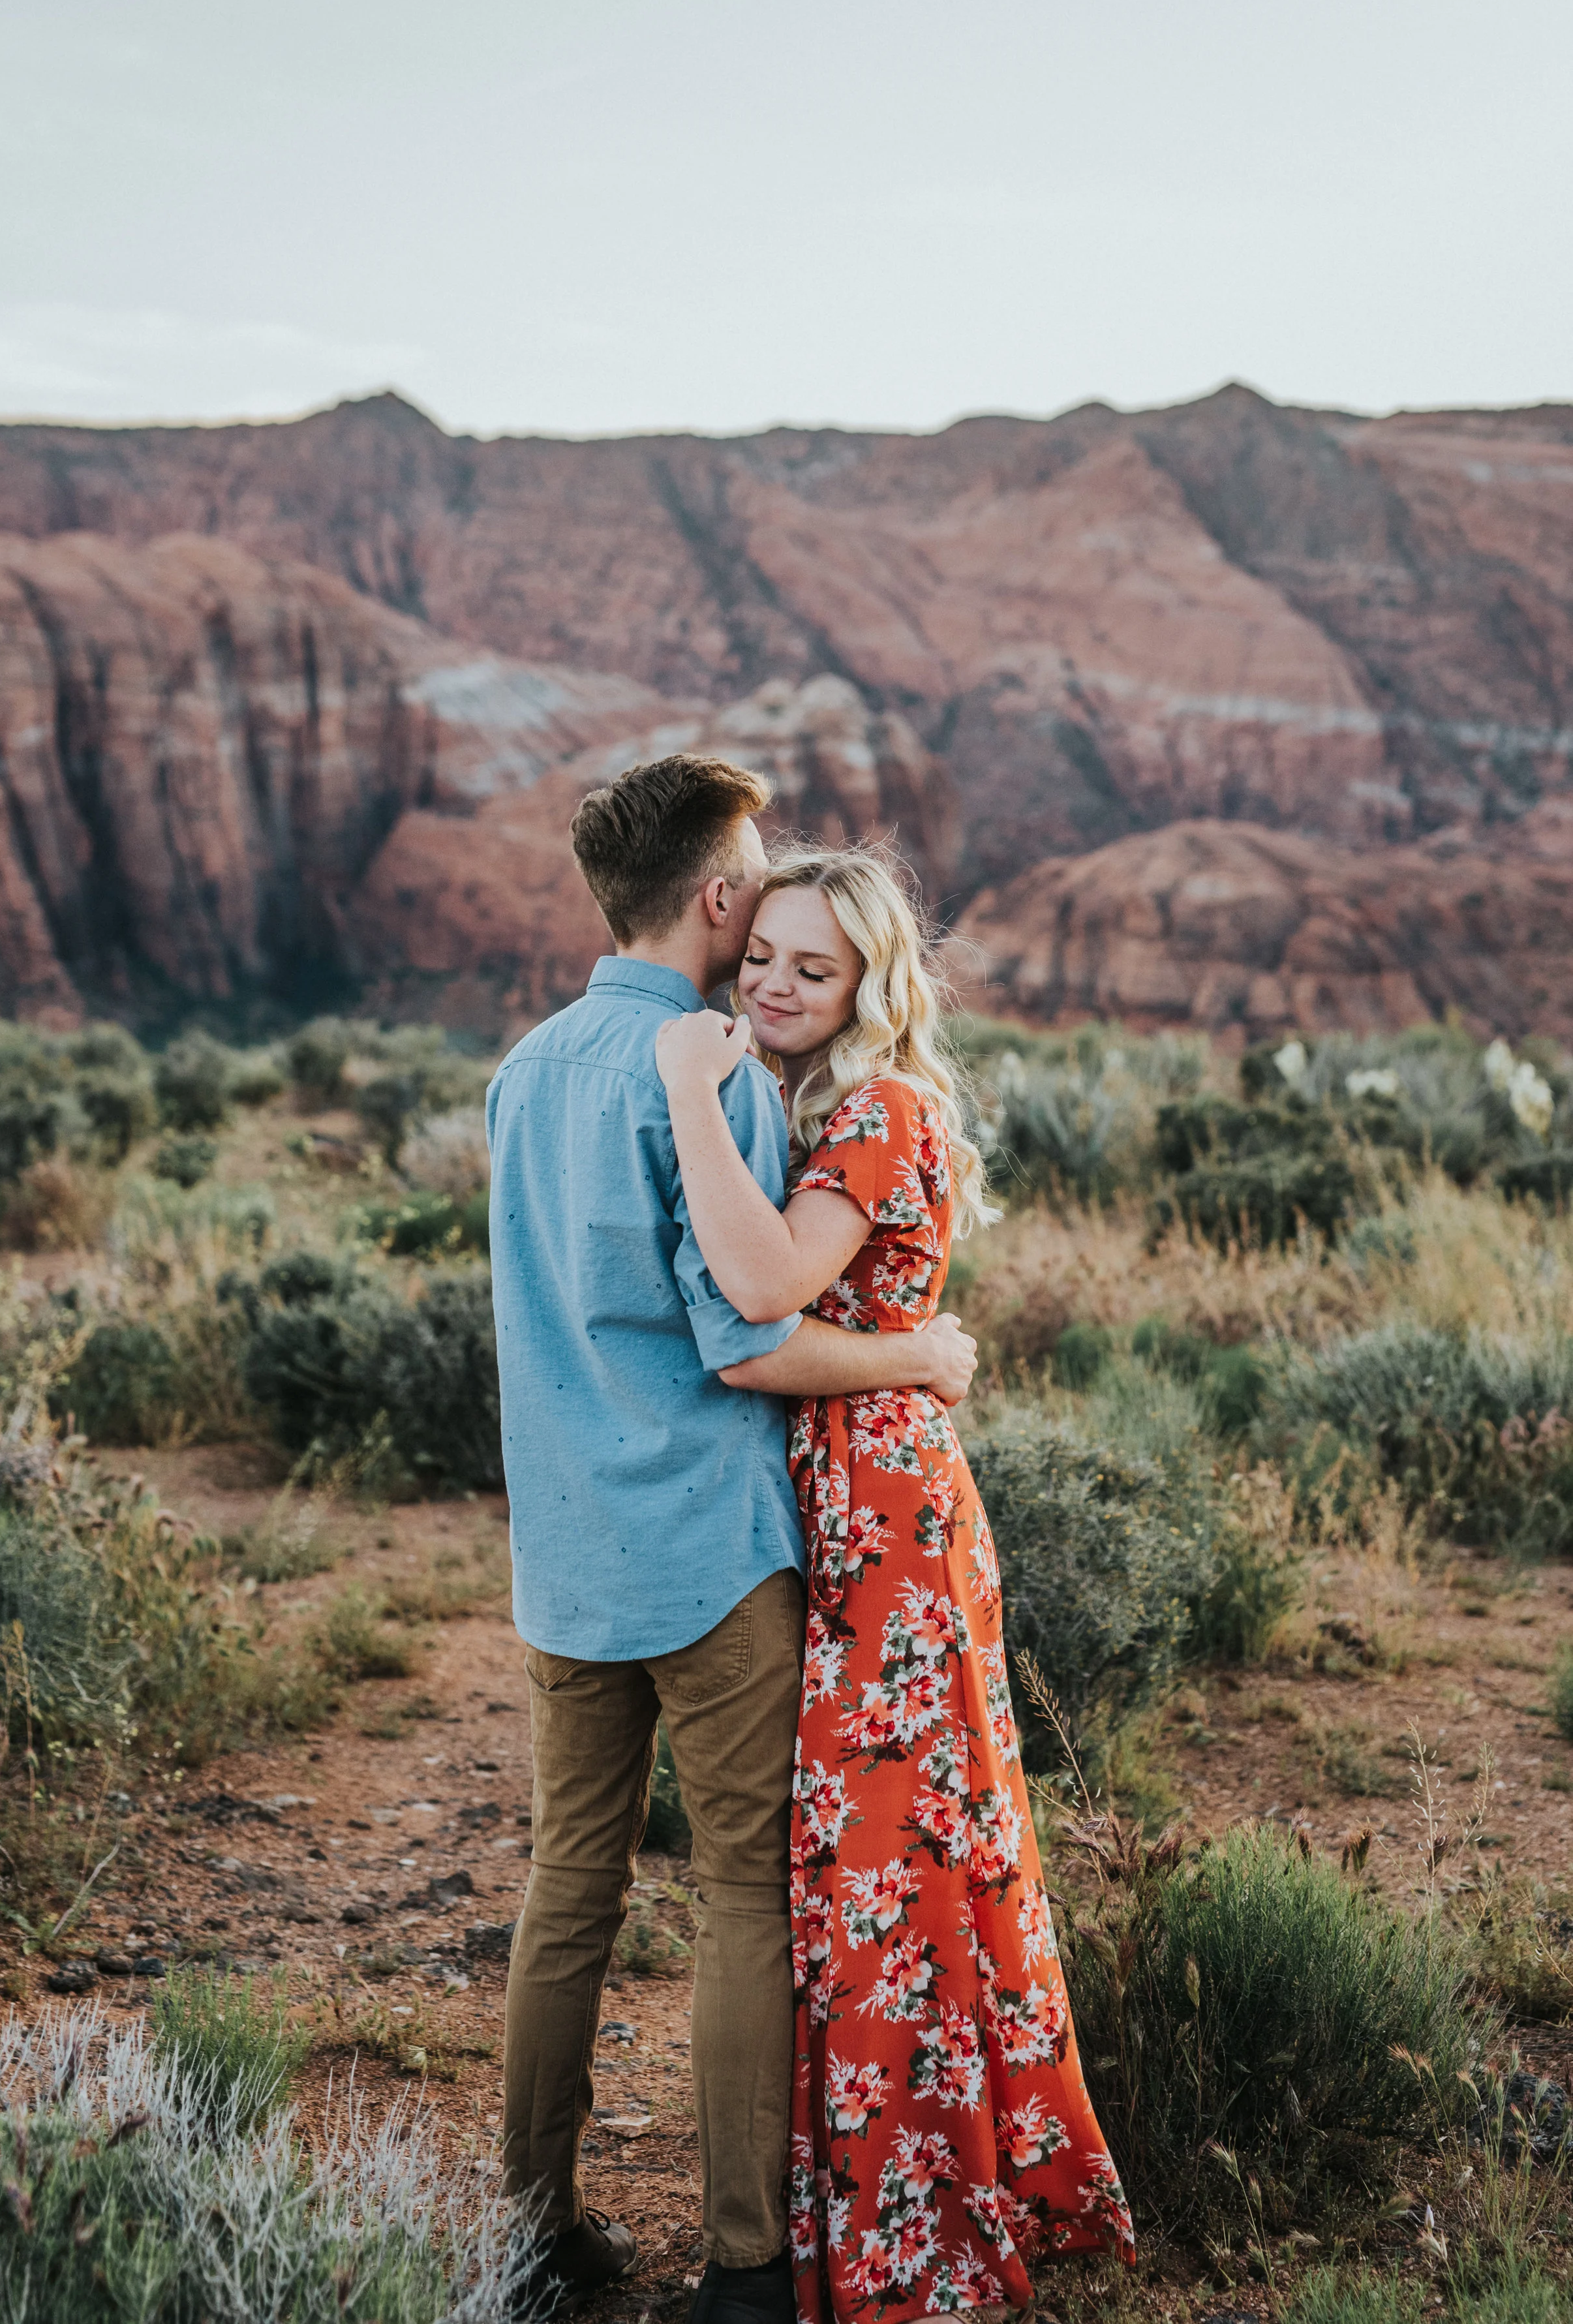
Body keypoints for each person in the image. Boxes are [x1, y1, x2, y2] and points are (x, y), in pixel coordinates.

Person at [485, 759, 979, 2324]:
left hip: (565, 1552)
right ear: (715, 899)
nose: (763, 923)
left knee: (568, 1883)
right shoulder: (715, 1080)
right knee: (740, 1896)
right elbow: (746, 1335)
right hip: (711, 1553)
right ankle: (749, 2266)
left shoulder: (523, 1069)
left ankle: (531, 2229)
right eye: (754, 888)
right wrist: (918, 1356)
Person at [656, 846, 1135, 2324]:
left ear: (871, 981)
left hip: (889, 1521)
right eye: (761, 960)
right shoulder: (828, 1103)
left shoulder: (873, 1109)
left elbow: (758, 1296)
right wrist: (919, 1350)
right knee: (899, 1856)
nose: (777, 985)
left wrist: (685, 1089)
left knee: (890, 1862)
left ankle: (915, 2237)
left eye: (816, 965)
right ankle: (910, 2200)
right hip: (861, 1500)